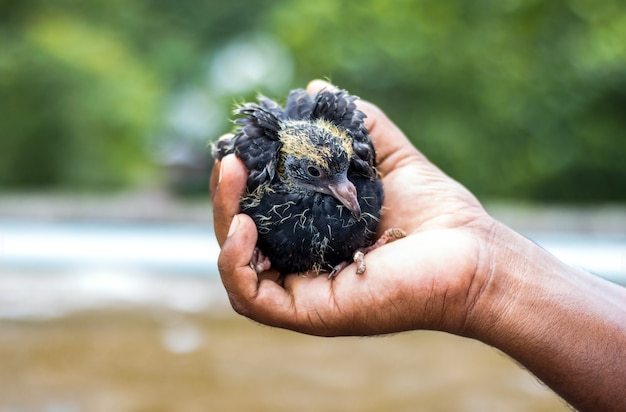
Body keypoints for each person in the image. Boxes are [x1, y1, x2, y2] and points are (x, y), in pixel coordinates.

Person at [210, 79, 626, 411]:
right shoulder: (267, 169)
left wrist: (482, 276)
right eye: (322, 175)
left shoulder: (352, 170)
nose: (349, 191)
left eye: (344, 175)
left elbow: (347, 179)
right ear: (295, 167)